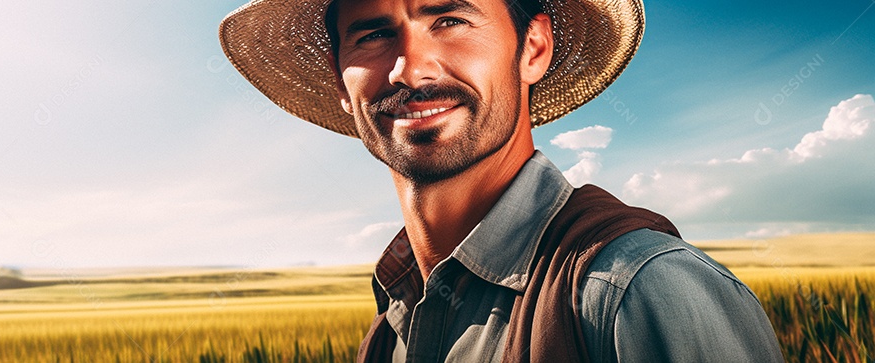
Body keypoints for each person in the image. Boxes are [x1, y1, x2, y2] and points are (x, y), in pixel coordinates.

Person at [220, 0, 786, 361]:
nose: (410, 68)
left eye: (449, 20)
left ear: (533, 48)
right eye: (372, 34)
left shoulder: (634, 290)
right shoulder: (390, 329)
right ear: (342, 88)